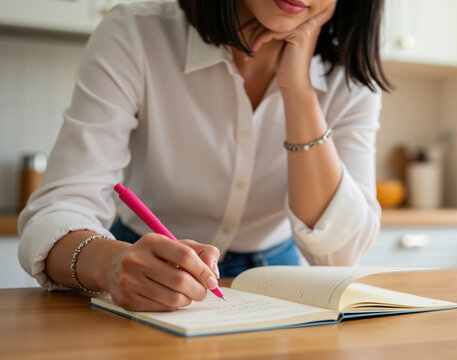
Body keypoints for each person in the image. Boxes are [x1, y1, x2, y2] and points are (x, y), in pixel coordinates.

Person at [18, 0, 390, 312]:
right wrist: (111, 264)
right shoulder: (137, 32)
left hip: (275, 274)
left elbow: (340, 255)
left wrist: (298, 91)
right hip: (138, 263)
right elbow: (59, 209)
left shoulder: (350, 74)